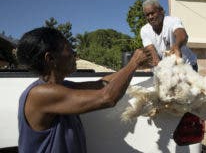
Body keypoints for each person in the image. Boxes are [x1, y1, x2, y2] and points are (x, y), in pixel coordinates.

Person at [17, 27, 150, 153]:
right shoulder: (41, 93)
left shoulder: (61, 87)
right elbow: (107, 98)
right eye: (70, 50)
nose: (75, 55)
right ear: (50, 58)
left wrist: (130, 68)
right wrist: (133, 63)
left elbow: (101, 84)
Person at [140, 0, 198, 71]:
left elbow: (183, 35)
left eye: (152, 13)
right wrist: (159, 68)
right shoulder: (144, 30)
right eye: (147, 15)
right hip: (169, 69)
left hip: (188, 66)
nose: (150, 17)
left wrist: (177, 46)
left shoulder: (172, 21)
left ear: (161, 11)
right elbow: (152, 52)